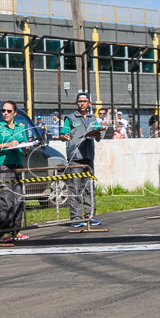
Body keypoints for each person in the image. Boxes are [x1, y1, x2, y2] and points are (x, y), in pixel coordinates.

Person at [0, 100, 30, 242]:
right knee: (6, 200)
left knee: (18, 199)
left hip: (17, 165)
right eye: (3, 111)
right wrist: (7, 144)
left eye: (9, 111)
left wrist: (26, 146)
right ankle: (5, 232)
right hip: (4, 166)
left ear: (15, 113)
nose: (5, 113)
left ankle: (16, 231)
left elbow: (24, 144)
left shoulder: (20, 127)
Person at [59, 92, 103, 229]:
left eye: (85, 101)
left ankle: (90, 215)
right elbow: (62, 134)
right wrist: (63, 136)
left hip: (88, 157)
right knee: (75, 188)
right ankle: (76, 217)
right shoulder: (71, 118)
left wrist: (98, 134)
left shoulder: (93, 118)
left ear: (89, 103)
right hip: (75, 157)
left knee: (89, 188)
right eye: (80, 101)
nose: (82, 103)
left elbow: (97, 136)